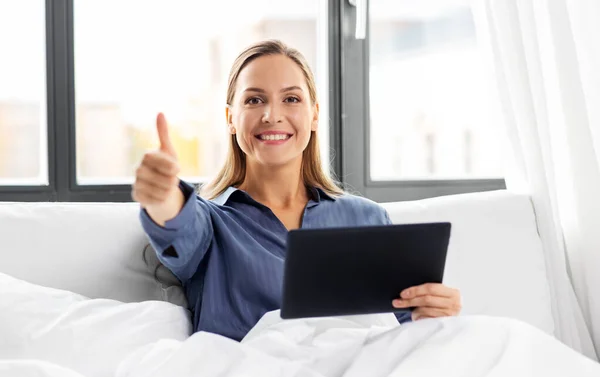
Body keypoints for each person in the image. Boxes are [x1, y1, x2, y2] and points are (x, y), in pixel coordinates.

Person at [132, 39, 461, 342]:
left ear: (314, 114)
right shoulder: (211, 224)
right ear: (231, 119)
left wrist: (434, 312)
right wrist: (162, 193)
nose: (272, 115)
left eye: (291, 99)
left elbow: (403, 331)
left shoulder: (367, 217)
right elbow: (177, 222)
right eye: (254, 99)